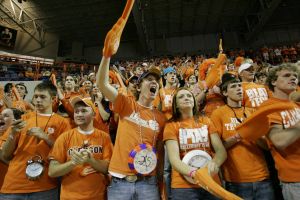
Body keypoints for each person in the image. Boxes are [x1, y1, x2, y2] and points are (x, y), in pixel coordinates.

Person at [97, 57, 166, 200]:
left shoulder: (160, 118)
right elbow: (102, 84)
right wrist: (106, 56)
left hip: (148, 182)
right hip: (121, 181)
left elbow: (160, 150)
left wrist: (160, 180)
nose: (154, 82)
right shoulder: (127, 104)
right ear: (139, 87)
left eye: (157, 81)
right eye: (149, 79)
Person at [0, 82, 71, 200]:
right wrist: (12, 133)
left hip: (45, 186)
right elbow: (5, 155)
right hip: (13, 184)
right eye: (36, 96)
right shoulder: (23, 119)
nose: (38, 100)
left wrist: (46, 137)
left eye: (42, 97)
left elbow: (65, 155)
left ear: (53, 99)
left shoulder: (63, 123)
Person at [210, 73, 275, 199]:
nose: (239, 88)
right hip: (236, 180)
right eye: (233, 86)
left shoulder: (253, 112)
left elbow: (267, 147)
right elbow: (217, 149)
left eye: (240, 86)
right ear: (224, 93)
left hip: (263, 178)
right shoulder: (218, 114)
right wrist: (238, 136)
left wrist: (253, 134)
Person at [163, 87, 227, 200]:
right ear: (176, 105)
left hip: (210, 182)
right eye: (181, 97)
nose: (186, 98)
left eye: (189, 96)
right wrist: (195, 173)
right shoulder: (171, 125)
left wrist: (215, 163)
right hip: (183, 187)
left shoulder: (206, 121)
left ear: (194, 101)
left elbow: (221, 151)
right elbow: (174, 160)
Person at [48, 97, 113, 200]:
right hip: (70, 197)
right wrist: (73, 162)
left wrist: (91, 160)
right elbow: (52, 171)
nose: (79, 114)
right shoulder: (64, 137)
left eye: (83, 111)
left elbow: (108, 168)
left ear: (93, 114)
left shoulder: (104, 137)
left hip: (98, 196)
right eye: (76, 111)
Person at [261, 63, 300, 200]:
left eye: (295, 76)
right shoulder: (268, 107)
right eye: (287, 75)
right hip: (295, 180)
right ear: (273, 81)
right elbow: (279, 141)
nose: (293, 78)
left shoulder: (296, 106)